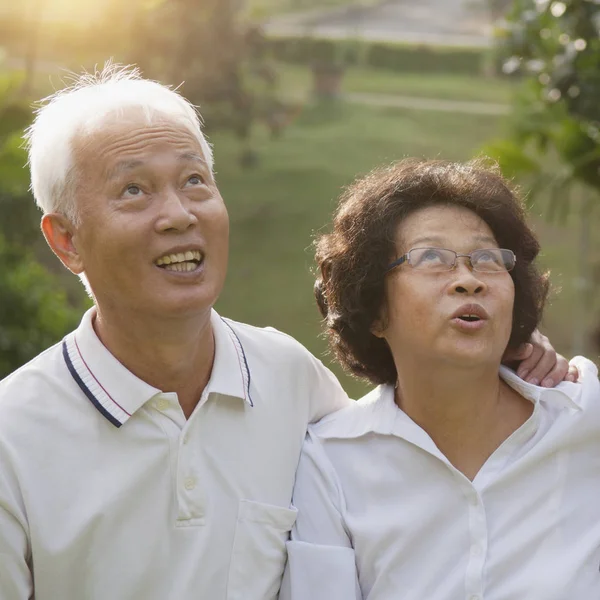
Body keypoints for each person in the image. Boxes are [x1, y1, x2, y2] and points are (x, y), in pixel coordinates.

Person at [0, 67, 573, 600]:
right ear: (66, 240)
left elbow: (403, 441)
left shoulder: (290, 379)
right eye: (134, 190)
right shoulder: (14, 437)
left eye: (194, 180)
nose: (178, 214)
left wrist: (509, 356)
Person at [280, 158, 600, 600]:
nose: (468, 280)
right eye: (431, 258)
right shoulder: (331, 461)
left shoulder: (584, 416)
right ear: (374, 309)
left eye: (487, 259)